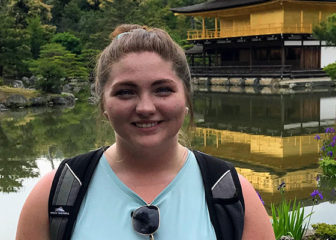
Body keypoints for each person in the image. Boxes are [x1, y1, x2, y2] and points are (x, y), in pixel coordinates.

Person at [16, 24, 275, 240]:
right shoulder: (56, 194)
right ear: (103, 103)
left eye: (163, 89)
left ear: (186, 97)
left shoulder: (230, 192)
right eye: (125, 92)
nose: (145, 108)